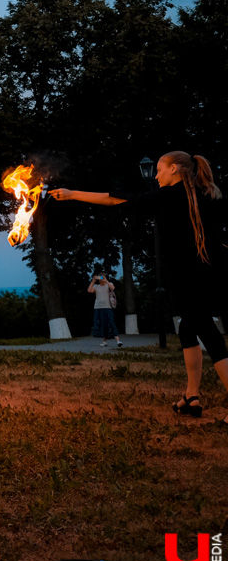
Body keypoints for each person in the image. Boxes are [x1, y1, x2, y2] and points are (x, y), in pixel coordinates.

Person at [50, 151, 228, 424]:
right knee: (188, 328)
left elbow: (114, 198)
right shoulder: (208, 194)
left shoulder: (169, 196)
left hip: (190, 278)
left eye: (159, 169)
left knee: (208, 334)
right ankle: (192, 396)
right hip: (207, 275)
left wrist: (73, 194)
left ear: (175, 169)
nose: (155, 175)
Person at [88, 268, 122, 347]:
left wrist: (106, 280)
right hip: (98, 308)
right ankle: (104, 341)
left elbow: (113, 288)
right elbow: (89, 290)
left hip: (107, 307)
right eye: (99, 277)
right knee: (101, 325)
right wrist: (93, 281)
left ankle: (118, 340)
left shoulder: (108, 284)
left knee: (111, 323)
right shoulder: (96, 286)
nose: (100, 279)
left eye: (102, 277)